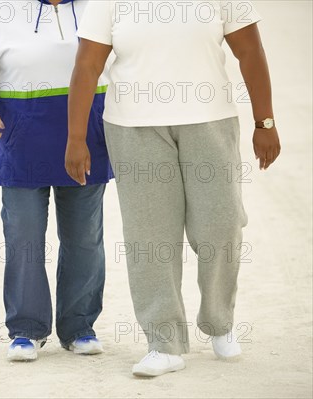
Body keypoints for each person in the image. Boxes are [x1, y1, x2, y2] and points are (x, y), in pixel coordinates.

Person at [66, 0, 281, 376]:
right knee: (150, 237)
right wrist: (76, 136)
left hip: (210, 122)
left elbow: (250, 51)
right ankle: (163, 343)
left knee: (222, 224)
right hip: (133, 127)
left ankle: (219, 322)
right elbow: (87, 64)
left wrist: (264, 122)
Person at [0, 0, 113, 361]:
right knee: (23, 236)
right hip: (19, 140)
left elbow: (123, 65)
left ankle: (79, 326)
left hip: (87, 138)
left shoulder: (99, 7)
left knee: (83, 238)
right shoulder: (1, 10)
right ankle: (26, 329)